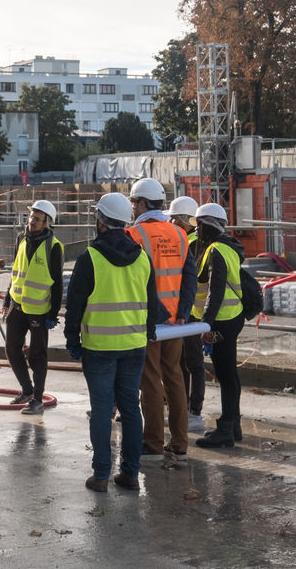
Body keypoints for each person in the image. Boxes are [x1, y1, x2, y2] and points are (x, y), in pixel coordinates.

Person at [64, 192, 165, 492]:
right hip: (134, 346)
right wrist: (147, 332)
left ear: (101, 222)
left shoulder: (90, 258)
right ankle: (130, 474)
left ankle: (101, 475)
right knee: (131, 408)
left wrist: (72, 340)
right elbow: (152, 304)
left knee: (101, 410)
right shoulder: (142, 257)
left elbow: (74, 306)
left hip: (99, 348)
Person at [127, 178, 196, 462]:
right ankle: (180, 443)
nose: (132, 208)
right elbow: (189, 278)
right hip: (175, 324)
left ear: (142, 203)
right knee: (175, 378)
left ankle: (153, 444)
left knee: (150, 382)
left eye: (133, 202)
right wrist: (181, 314)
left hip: (149, 322)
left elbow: (136, 282)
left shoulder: (134, 235)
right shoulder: (179, 234)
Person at [192, 202, 246, 449]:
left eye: (198, 225)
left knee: (225, 374)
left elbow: (216, 291)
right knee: (230, 374)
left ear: (207, 224)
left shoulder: (216, 250)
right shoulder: (229, 247)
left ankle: (226, 431)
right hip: (232, 317)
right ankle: (233, 427)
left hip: (221, 321)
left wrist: (206, 325)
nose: (196, 230)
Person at [2, 199, 64, 415]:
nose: (32, 221)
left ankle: (37, 399)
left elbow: (57, 283)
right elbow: (15, 271)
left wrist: (53, 313)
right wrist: (7, 299)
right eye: (31, 217)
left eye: (37, 219)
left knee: (37, 357)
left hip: (39, 310)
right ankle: (26, 390)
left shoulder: (53, 247)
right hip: (17, 305)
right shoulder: (21, 238)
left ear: (47, 223)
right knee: (11, 349)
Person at [169, 195, 207, 433]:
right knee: (182, 362)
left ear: (185, 220)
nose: (170, 223)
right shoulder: (187, 241)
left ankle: (193, 412)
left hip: (192, 313)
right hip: (185, 312)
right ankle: (182, 409)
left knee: (192, 363)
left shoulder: (190, 243)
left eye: (174, 219)